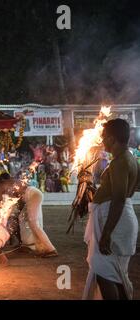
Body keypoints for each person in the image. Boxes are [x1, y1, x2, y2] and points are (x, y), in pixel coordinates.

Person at [83, 119, 139, 300]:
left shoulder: (120, 161)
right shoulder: (127, 158)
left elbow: (119, 199)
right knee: (116, 275)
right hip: (119, 218)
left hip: (115, 221)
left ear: (113, 139)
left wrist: (107, 232)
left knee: (103, 272)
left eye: (104, 136)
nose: (102, 140)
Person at [0, 174, 58, 257]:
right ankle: (28, 245)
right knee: (22, 218)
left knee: (33, 223)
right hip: (33, 194)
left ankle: (51, 249)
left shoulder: (0, 186)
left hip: (32, 195)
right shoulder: (10, 182)